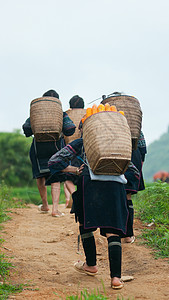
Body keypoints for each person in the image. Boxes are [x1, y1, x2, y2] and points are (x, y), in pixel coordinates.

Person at [48, 129, 132, 289]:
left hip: (90, 185)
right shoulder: (118, 144)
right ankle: (115, 278)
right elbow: (133, 171)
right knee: (113, 231)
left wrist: (73, 170)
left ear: (84, 130)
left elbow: (54, 161)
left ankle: (91, 264)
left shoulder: (82, 142)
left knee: (86, 223)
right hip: (116, 187)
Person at [22, 89, 76, 217]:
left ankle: (45, 205)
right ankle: (55, 209)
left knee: (40, 176)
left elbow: (26, 129)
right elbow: (70, 129)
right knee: (55, 176)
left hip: (38, 148)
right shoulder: (60, 114)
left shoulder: (36, 114)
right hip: (56, 147)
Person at [124, 131, 147, 243]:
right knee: (127, 196)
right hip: (132, 155)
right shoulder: (132, 122)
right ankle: (128, 235)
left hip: (110, 154)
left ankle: (114, 234)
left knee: (116, 195)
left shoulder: (108, 119)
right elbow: (142, 147)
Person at [63, 95, 85, 208]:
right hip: (85, 149)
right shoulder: (88, 114)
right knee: (83, 175)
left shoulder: (66, 114)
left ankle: (73, 195)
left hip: (70, 150)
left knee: (68, 178)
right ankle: (80, 197)